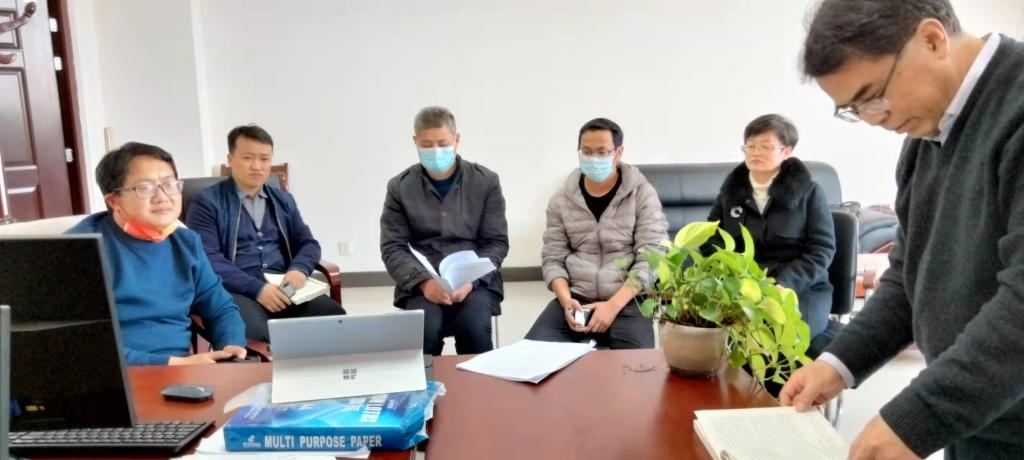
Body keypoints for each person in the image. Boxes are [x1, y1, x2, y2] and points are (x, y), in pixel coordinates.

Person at [780, 1, 1024, 458]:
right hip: (977, 420)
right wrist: (838, 362)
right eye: (855, 110)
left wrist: (918, 418)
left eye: (874, 96)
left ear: (932, 39)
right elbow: (909, 276)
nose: (875, 119)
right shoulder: (927, 137)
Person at [68, 142, 247, 366]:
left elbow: (220, 308)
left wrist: (231, 345)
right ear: (114, 200)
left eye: (170, 184)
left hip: (183, 373)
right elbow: (78, 343)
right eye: (145, 188)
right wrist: (172, 364)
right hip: (114, 374)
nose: (162, 197)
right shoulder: (79, 250)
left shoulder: (186, 243)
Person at [186, 124, 345, 343]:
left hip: (282, 284)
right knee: (256, 335)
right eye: (248, 158)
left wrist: (299, 270)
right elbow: (207, 257)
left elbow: (308, 243)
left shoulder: (283, 200)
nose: (257, 166)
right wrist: (257, 289)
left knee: (333, 318)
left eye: (264, 159)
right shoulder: (207, 202)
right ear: (230, 159)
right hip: (234, 287)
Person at [524, 118, 668, 349]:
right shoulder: (561, 201)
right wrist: (566, 301)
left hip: (627, 299)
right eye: (587, 152)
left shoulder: (642, 194)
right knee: (532, 355)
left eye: (602, 152)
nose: (593, 158)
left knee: (637, 365)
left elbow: (652, 257)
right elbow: (553, 257)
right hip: (576, 298)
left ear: (618, 152)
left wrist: (612, 305)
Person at [380, 106, 509, 356]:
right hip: (421, 280)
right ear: (415, 142)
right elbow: (392, 247)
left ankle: (475, 381)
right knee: (424, 330)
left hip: (475, 280)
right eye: (427, 145)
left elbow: (496, 242)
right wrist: (424, 283)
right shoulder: (400, 187)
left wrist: (472, 281)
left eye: (443, 143)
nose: (436, 151)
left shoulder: (485, 182)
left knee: (474, 327)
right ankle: (426, 381)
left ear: (456, 140)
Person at [707, 114, 836, 358]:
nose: (756, 152)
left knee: (785, 339)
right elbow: (711, 240)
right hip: (744, 287)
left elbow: (822, 249)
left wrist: (785, 284)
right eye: (751, 146)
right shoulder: (730, 192)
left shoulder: (810, 192)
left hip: (800, 288)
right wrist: (735, 280)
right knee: (719, 340)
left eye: (766, 146)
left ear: (787, 151)